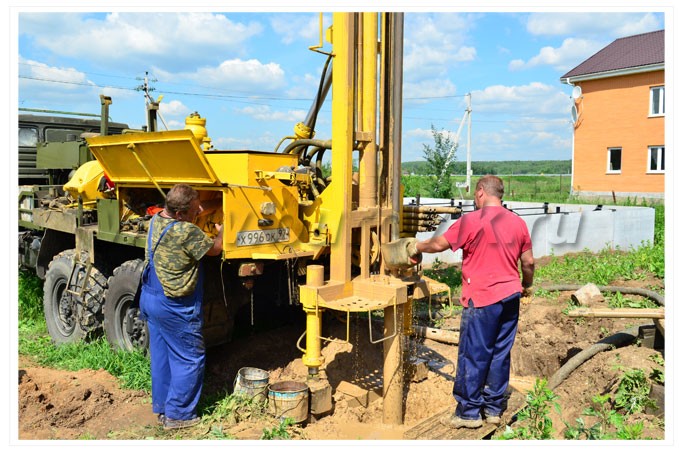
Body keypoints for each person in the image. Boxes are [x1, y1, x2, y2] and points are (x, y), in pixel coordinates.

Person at [409, 175, 534, 429]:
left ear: (480, 193)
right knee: (500, 353)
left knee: (474, 354)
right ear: (500, 195)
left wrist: (415, 246)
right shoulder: (519, 223)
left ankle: (468, 413)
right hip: (511, 296)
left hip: (482, 298)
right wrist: (527, 285)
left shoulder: (471, 220)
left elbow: (438, 244)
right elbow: (529, 262)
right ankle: (494, 408)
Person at [139, 184, 223, 430]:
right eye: (194, 208)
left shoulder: (156, 220)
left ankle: (164, 408)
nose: (199, 210)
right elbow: (215, 250)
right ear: (179, 214)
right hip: (174, 305)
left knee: (163, 357)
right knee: (189, 357)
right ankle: (179, 416)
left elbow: (193, 209)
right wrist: (222, 232)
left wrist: (215, 203)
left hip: (151, 297)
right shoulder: (187, 232)